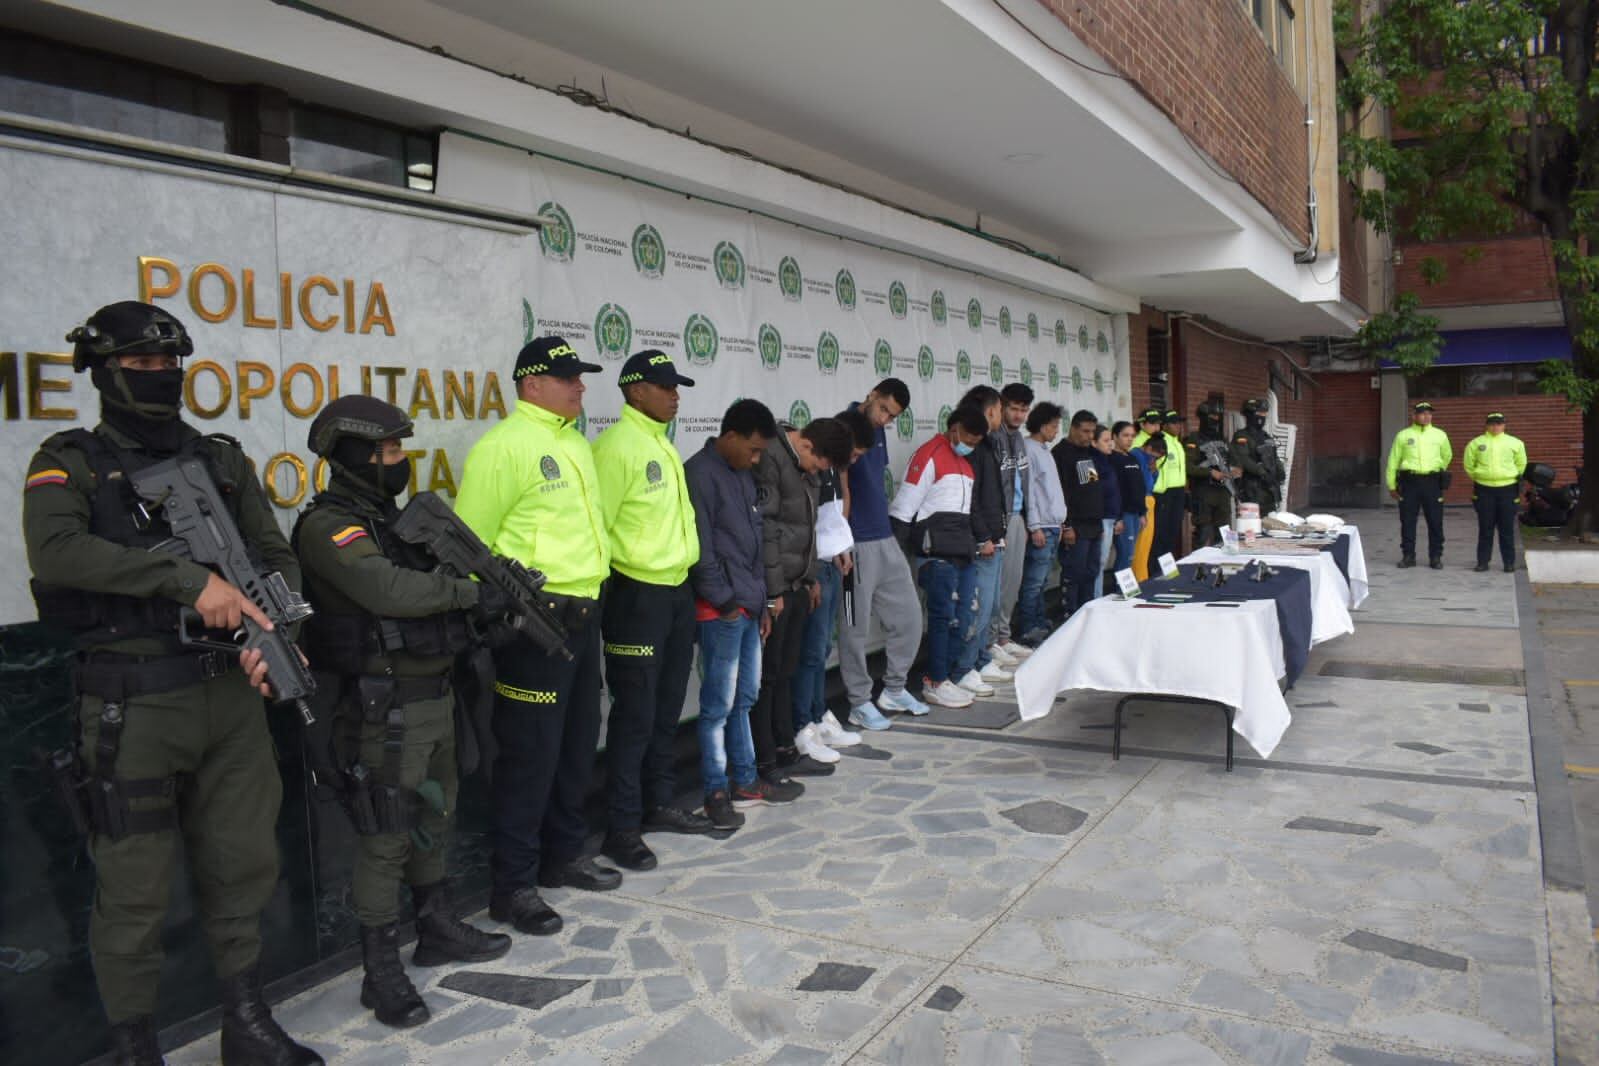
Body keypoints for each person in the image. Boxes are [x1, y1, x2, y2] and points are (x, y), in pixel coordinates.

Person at [24, 302, 322, 1065]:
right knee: (134, 890)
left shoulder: (220, 459)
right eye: (141, 366)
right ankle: (136, 1049)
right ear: (102, 371)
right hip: (134, 703)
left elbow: (271, 551)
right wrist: (188, 582)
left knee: (244, 863)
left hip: (229, 695)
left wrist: (274, 627)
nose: (160, 378)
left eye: (169, 365)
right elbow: (58, 551)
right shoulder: (69, 460)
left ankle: (245, 1025)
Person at [294, 397, 511, 1030]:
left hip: (434, 696)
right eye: (389, 451)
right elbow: (385, 589)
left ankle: (436, 924)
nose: (399, 461)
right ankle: (379, 969)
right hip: (380, 707)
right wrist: (468, 591)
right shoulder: (330, 526)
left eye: (400, 449)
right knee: (386, 835)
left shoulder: (396, 521)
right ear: (355, 453)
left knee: (435, 816)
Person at [456, 336, 617, 940]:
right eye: (568, 377)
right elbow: (473, 544)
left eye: (580, 377)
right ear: (531, 384)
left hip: (585, 613)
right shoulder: (503, 448)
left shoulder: (574, 443)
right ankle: (512, 887)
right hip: (535, 624)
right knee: (529, 756)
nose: (580, 386)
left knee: (578, 743)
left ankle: (563, 854)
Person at [592, 350, 714, 876]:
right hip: (635, 594)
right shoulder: (617, 447)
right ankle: (621, 829)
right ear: (635, 391)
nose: (675, 394)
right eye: (664, 386)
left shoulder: (661, 444)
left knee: (666, 708)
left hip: (675, 591)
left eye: (676, 386)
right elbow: (601, 526)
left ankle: (658, 802)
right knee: (635, 716)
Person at [684, 400, 796, 822]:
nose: (756, 458)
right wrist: (727, 603)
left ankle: (745, 778)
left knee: (744, 698)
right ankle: (716, 791)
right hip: (721, 612)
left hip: (748, 608)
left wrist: (763, 601)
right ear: (729, 436)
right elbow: (702, 550)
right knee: (717, 706)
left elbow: (754, 541)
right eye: (752, 449)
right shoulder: (700, 473)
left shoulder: (744, 476)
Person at [751, 416, 855, 783]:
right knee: (768, 677)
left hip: (798, 584)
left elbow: (808, 528)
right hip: (777, 590)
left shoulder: (803, 465)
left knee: (786, 672)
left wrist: (810, 578)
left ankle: (787, 748)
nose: (819, 472)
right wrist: (775, 590)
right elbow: (769, 531)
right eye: (819, 464)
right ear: (808, 446)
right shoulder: (773, 459)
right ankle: (766, 759)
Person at [837, 379, 927, 731]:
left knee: (908, 616)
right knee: (853, 629)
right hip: (853, 544)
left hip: (884, 536)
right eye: (884, 410)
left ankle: (895, 689)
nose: (885, 419)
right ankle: (859, 702)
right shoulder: (843, 427)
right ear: (872, 393)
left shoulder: (878, 431)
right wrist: (842, 541)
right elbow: (840, 486)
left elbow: (874, 479)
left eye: (892, 416)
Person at [890, 406, 989, 708]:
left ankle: (948, 677)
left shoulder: (966, 464)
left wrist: (980, 539)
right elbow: (903, 508)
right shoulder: (929, 454)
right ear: (954, 428)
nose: (970, 446)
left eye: (976, 442)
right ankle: (934, 680)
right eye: (968, 439)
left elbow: (969, 510)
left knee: (965, 617)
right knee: (942, 619)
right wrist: (903, 558)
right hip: (936, 555)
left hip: (964, 552)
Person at [790, 409, 873, 759]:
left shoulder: (832, 469)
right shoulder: (807, 467)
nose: (848, 464)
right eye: (850, 456)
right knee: (810, 652)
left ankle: (818, 714)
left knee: (822, 649)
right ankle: (803, 725)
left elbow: (835, 513)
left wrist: (842, 547)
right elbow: (808, 523)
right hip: (813, 567)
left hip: (833, 561)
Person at [950, 386, 1013, 697]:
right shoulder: (972, 446)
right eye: (1000, 409)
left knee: (988, 605)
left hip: (993, 536)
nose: (1001, 416)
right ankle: (965, 667)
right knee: (976, 607)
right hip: (980, 540)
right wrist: (984, 536)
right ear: (990, 411)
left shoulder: (987, 444)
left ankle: (981, 658)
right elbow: (970, 497)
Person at [988, 383, 1035, 664]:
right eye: (1013, 409)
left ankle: (1003, 637)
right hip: (999, 519)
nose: (1018, 415)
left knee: (1012, 583)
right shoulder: (993, 438)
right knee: (996, 584)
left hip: (1018, 517)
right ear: (1001, 407)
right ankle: (991, 641)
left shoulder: (1019, 439)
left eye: (1023, 410)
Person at [1017, 402, 1066, 646]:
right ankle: (1028, 628)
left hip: (1053, 525)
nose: (1057, 431)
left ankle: (1038, 620)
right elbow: (1030, 491)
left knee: (1042, 581)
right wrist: (1035, 526)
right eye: (1054, 426)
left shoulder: (1044, 449)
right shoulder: (1028, 448)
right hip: (1042, 526)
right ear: (1043, 424)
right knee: (1033, 582)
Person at [1384, 400, 1453, 569]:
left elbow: (1447, 456)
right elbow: (1393, 461)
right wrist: (1391, 485)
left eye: (1429, 413)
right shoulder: (1403, 435)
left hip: (1432, 482)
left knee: (1435, 521)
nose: (1426, 416)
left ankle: (1435, 557)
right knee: (1407, 521)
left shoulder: (1440, 435)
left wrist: (1436, 470)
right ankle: (1408, 556)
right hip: (1410, 482)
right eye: (1422, 413)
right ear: (1414, 416)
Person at [1055, 409, 1107, 616]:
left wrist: (1099, 523)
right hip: (1075, 526)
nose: (1089, 437)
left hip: (1093, 525)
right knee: (1074, 574)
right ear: (1073, 428)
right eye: (1085, 431)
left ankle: (1086, 614)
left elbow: (1091, 488)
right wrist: (1067, 526)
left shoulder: (1086, 452)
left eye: (1092, 432)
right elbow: (1060, 493)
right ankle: (1070, 615)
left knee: (1091, 572)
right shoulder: (1060, 453)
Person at [1464, 412, 1526, 573]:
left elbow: (1521, 464)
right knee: (1485, 528)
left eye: (1499, 423)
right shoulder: (1476, 443)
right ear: (1486, 425)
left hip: (1507, 490)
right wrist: (1481, 476)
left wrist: (1507, 477)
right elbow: (1469, 466)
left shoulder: (1515, 443)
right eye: (1492, 423)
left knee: (1507, 529)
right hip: (1484, 490)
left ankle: (1509, 563)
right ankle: (1483, 562)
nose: (1495, 427)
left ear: (1504, 425)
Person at [1184, 401, 1238, 548]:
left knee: (1226, 533)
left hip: (1223, 492)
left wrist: (1235, 470)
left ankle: (1227, 562)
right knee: (1203, 532)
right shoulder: (1193, 440)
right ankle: (1198, 566)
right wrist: (1209, 472)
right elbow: (1187, 467)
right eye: (1211, 416)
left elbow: (1233, 460)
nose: (1214, 420)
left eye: (1217, 416)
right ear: (1203, 418)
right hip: (1204, 493)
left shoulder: (1223, 439)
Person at [1232, 398, 1287, 518]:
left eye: (1264, 414)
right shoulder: (1241, 436)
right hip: (1252, 489)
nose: (1262, 417)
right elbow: (1243, 459)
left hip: (1269, 490)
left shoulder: (1266, 436)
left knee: (1270, 523)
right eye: (1259, 414)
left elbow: (1274, 457)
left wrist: (1280, 471)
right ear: (1250, 415)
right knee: (1252, 526)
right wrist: (1262, 472)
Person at [1109, 421, 1149, 576]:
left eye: (1132, 436)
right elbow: (1115, 490)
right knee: (1125, 554)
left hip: (1136, 513)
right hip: (1123, 513)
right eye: (1125, 435)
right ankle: (1122, 592)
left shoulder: (1133, 458)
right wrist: (1118, 517)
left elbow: (1140, 487)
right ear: (1115, 437)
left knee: (1131, 554)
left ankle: (1127, 591)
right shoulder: (1112, 459)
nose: (1130, 439)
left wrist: (1142, 513)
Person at [1149, 409, 1188, 560]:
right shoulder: (1160, 441)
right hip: (1163, 492)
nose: (1178, 426)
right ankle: (1156, 568)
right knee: (1161, 532)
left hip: (1178, 491)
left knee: (1173, 530)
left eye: (1179, 423)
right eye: (1174, 423)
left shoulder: (1177, 442)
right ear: (1164, 425)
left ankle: (1167, 565)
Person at [1091, 424, 1124, 598]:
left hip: (1110, 518)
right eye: (1105, 440)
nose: (1110, 444)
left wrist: (1117, 517)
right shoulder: (1091, 462)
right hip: (1100, 519)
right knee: (1098, 562)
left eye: (1111, 440)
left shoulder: (1107, 461)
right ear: (1094, 443)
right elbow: (1092, 492)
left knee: (1102, 562)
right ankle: (1095, 599)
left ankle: (1098, 596)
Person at [1132, 434, 1167, 579]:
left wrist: (1154, 471)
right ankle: (1138, 578)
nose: (1154, 460)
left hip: (1149, 499)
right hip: (1141, 500)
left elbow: (1151, 483)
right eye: (1154, 456)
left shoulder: (1148, 459)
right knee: (1139, 546)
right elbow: (1144, 483)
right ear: (1148, 448)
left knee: (1146, 544)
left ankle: (1142, 576)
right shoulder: (1137, 455)